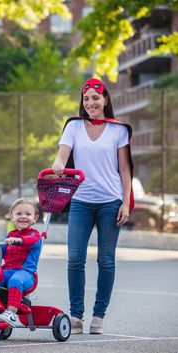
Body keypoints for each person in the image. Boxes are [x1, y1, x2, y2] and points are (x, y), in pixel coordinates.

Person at [52, 77, 134, 335]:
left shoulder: (118, 129)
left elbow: (124, 169)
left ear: (105, 100)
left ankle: (98, 316)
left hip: (110, 202)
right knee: (75, 259)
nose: (90, 103)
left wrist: (125, 203)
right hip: (80, 201)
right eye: (86, 99)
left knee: (106, 260)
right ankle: (76, 317)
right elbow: (63, 154)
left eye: (95, 98)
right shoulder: (73, 126)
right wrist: (58, 164)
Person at [0, 198, 42, 327]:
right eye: (19, 214)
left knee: (15, 280)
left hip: (26, 274)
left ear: (35, 218)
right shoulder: (10, 235)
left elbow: (29, 241)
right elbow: (1, 253)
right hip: (8, 271)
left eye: (28, 214)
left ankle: (11, 313)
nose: (23, 217)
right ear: (11, 217)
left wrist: (18, 240)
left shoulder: (35, 235)